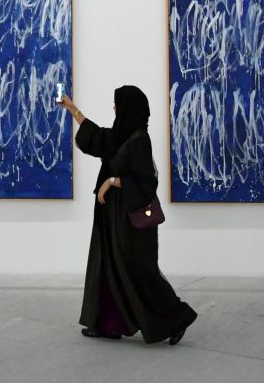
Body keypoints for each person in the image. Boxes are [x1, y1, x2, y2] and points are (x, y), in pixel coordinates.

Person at [59, 85, 197, 345]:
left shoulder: (139, 139)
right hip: (111, 218)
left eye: (117, 104)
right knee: (108, 267)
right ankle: (109, 324)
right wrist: (71, 108)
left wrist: (111, 181)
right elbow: (95, 136)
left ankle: (178, 318)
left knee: (138, 271)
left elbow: (146, 181)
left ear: (128, 108)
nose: (114, 108)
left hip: (130, 220)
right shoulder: (121, 136)